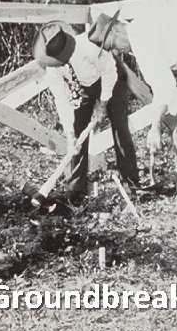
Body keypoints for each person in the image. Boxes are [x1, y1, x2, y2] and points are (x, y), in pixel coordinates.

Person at [87, 9, 177, 221]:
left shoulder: (140, 39)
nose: (118, 52)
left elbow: (164, 86)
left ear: (115, 31)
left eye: (111, 46)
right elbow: (169, 90)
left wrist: (155, 127)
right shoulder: (145, 22)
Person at [31, 20, 140, 203]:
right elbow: (62, 100)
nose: (61, 63)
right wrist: (70, 133)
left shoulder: (88, 47)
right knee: (79, 128)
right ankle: (76, 189)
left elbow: (109, 72)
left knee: (120, 126)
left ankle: (131, 183)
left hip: (111, 79)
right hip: (83, 88)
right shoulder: (52, 70)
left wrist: (103, 104)